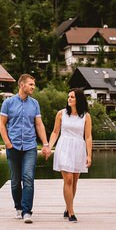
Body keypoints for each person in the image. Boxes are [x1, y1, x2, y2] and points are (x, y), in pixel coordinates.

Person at [0, 73, 50, 223]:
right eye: (31, 85)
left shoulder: (35, 104)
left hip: (30, 147)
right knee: (15, 181)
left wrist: (45, 144)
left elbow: (39, 125)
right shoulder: (8, 103)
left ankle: (27, 211)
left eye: (33, 85)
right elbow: (2, 124)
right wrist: (7, 143)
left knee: (28, 177)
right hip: (13, 146)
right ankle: (18, 208)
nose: (33, 87)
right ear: (22, 85)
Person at [48, 88, 93, 222]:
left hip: (79, 148)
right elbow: (55, 132)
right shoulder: (61, 114)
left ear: (78, 99)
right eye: (68, 97)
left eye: (72, 97)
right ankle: (71, 212)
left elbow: (88, 136)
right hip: (64, 147)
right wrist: (49, 147)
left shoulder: (86, 116)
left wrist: (89, 155)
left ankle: (68, 207)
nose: (69, 99)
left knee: (74, 181)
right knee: (68, 179)